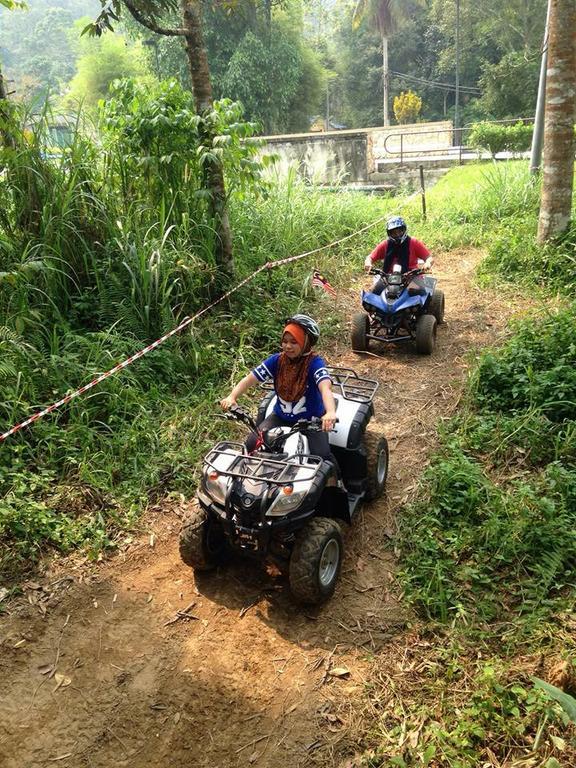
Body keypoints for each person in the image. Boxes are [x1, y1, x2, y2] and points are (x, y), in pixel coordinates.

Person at [220, 314, 338, 460]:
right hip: (280, 417)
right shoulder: (276, 361)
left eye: (294, 342)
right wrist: (232, 396)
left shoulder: (314, 363)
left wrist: (330, 412)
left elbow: (325, 388)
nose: (288, 346)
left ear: (306, 342)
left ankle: (335, 482)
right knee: (252, 443)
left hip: (311, 421)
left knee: (321, 456)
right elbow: (250, 379)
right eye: (285, 341)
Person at [364, 216, 433, 296]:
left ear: (404, 230)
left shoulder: (413, 242)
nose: (397, 234)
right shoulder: (385, 244)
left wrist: (427, 264)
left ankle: (423, 308)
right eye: (394, 233)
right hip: (388, 276)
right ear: (389, 233)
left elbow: (429, 258)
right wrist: (368, 263)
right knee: (373, 293)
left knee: (419, 292)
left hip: (411, 275)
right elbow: (370, 257)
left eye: (400, 231)